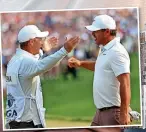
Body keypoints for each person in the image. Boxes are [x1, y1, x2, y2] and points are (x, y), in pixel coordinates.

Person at [5, 25, 80, 129]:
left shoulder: (16, 60)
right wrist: (65, 50)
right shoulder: (24, 62)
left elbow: (33, 63)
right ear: (31, 42)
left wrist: (42, 50)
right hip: (26, 123)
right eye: (40, 40)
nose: (42, 42)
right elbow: (41, 65)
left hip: (17, 120)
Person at [68, 15, 131, 126]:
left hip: (113, 113)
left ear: (106, 32)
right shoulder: (105, 48)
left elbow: (125, 83)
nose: (92, 34)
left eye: (95, 31)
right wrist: (81, 63)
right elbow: (100, 66)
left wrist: (124, 113)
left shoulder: (117, 52)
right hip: (100, 113)